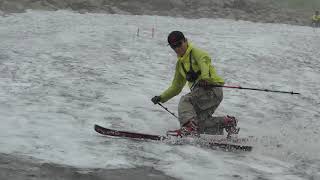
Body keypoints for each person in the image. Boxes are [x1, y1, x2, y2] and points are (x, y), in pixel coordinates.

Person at [151, 31, 238, 137]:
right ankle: (227, 122)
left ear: (185, 41)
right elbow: (176, 87)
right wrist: (161, 97)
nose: (177, 48)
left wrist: (205, 78)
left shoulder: (196, 53)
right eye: (173, 46)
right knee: (199, 124)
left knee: (185, 100)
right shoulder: (180, 65)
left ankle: (189, 129)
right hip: (207, 95)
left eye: (179, 44)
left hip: (211, 89)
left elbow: (204, 62)